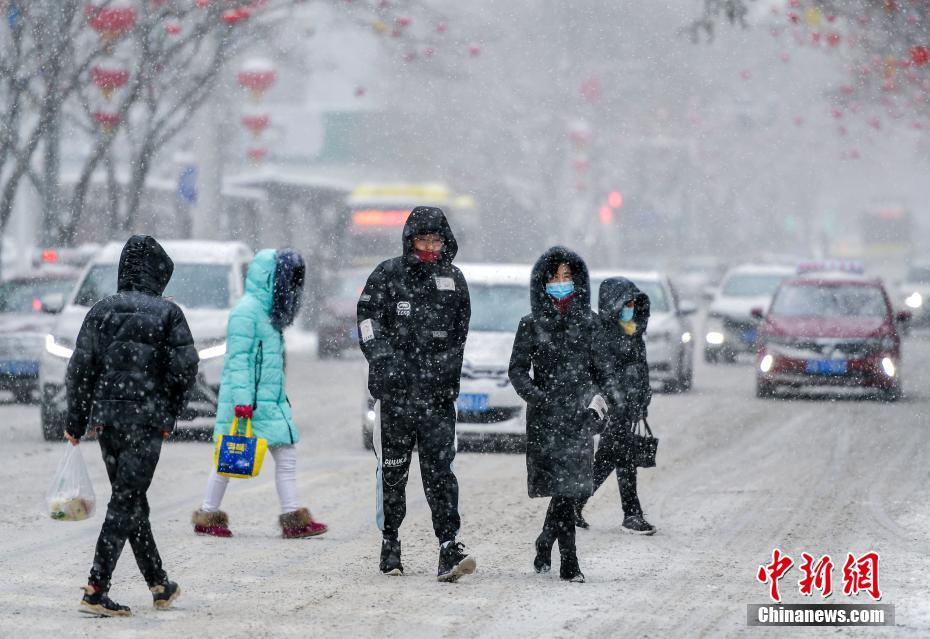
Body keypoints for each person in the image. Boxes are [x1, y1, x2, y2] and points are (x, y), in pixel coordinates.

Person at [65, 235, 198, 616]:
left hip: (107, 423)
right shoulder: (168, 314)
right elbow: (185, 369)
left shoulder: (100, 311)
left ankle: (159, 584)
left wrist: (77, 420)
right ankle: (96, 588)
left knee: (131, 500)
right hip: (146, 422)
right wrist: (170, 411)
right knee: (125, 501)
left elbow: (80, 370)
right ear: (159, 273)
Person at [356, 206, 474, 582]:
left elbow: (459, 334)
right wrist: (383, 358)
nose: (429, 247)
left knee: (440, 474)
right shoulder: (388, 275)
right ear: (410, 240)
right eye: (422, 240)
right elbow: (367, 319)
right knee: (392, 473)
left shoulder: (454, 280)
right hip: (395, 398)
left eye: (436, 240)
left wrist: (442, 368)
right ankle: (390, 542)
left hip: (438, 399)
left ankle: (448, 545)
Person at [192, 249, 328, 539]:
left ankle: (289, 516)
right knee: (229, 459)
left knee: (274, 456)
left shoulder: (268, 314)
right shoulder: (247, 312)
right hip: (249, 403)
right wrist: (242, 401)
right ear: (271, 278)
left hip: (266, 401)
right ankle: (209, 513)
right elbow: (238, 361)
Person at [508, 246, 606, 583]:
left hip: (579, 419)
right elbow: (518, 371)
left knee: (570, 488)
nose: (561, 283)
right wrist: (540, 398)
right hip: (545, 420)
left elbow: (604, 374)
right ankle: (570, 562)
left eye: (567, 276)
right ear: (542, 282)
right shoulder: (531, 324)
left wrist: (596, 408)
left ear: (578, 281)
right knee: (562, 488)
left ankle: (547, 543)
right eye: (554, 277)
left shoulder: (592, 325)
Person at [575, 277, 655, 535]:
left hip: (629, 407)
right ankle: (632, 514)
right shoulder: (602, 334)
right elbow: (601, 373)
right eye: (626, 303)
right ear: (613, 304)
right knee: (623, 457)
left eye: (633, 303)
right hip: (613, 407)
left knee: (610, 458)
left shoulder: (632, 331)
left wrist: (642, 400)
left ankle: (574, 504)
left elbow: (641, 369)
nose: (630, 307)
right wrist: (614, 400)